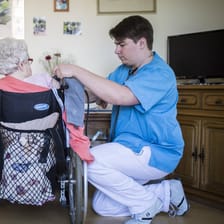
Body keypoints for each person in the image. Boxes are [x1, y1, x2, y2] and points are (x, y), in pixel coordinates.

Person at [54, 15, 189, 224]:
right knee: (103, 206)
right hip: (130, 149)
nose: (117, 50)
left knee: (87, 161)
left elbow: (120, 96)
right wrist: (64, 89)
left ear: (141, 43)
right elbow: (98, 94)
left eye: (121, 44)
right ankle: (167, 192)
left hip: (156, 152)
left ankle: (145, 206)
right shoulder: (124, 71)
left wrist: (76, 70)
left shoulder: (160, 73)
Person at [0, 37, 93, 162]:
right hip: (45, 154)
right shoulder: (46, 82)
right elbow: (65, 97)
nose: (30, 64)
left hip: (8, 155)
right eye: (29, 60)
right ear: (22, 65)